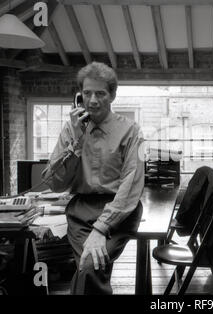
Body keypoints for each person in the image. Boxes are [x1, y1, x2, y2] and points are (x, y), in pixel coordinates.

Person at [42, 62, 145, 295]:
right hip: (81, 209)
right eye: (87, 93)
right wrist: (76, 142)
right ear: (79, 96)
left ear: (112, 95)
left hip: (120, 210)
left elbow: (131, 184)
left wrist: (100, 229)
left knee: (88, 267)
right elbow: (55, 183)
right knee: (88, 268)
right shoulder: (72, 129)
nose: (93, 100)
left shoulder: (131, 130)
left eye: (100, 93)